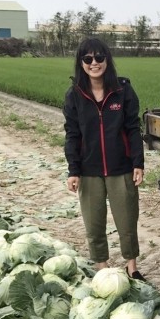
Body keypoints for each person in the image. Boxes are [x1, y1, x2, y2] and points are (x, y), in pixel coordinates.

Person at [63, 37, 145, 279]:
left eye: (99, 57)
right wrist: (73, 170)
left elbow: (133, 128)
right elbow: (72, 134)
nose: (94, 63)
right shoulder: (75, 95)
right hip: (89, 170)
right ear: (81, 63)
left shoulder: (122, 91)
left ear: (107, 60)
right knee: (94, 223)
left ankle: (132, 267)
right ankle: (102, 267)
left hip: (121, 168)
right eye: (88, 59)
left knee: (127, 220)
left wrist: (137, 163)